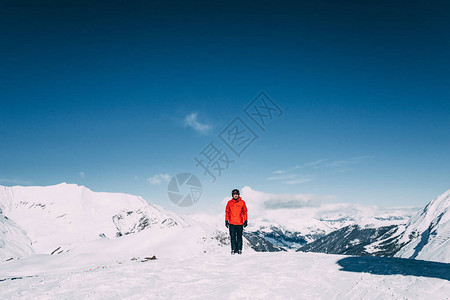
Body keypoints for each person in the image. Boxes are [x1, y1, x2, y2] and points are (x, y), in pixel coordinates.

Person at [225, 189, 248, 255]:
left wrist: (245, 220)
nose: (235, 195)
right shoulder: (229, 202)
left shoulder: (242, 202)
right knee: (232, 237)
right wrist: (226, 220)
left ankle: (239, 250)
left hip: (239, 223)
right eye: (234, 194)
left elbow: (245, 212)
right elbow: (227, 212)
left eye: (237, 194)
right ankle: (233, 250)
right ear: (232, 195)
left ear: (238, 195)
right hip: (231, 223)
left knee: (239, 237)